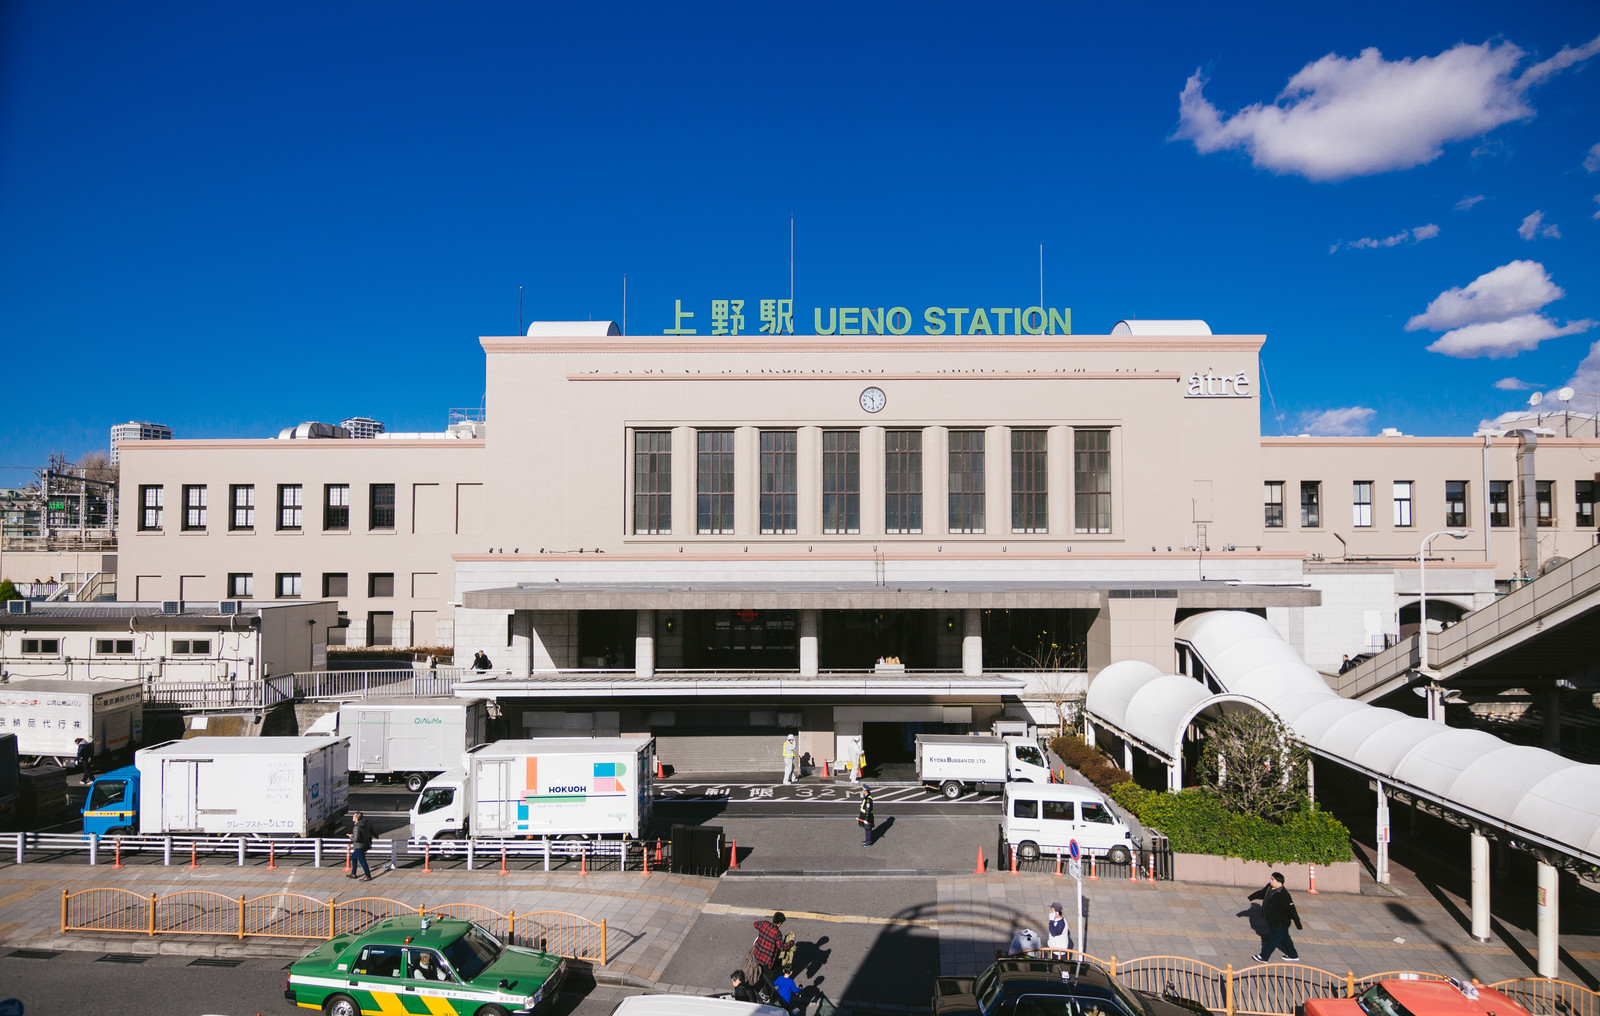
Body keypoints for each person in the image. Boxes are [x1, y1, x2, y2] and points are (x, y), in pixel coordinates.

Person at [1248, 871, 1303, 962]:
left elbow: (1292, 911)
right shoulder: (1269, 887)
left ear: (1279, 882)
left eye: (1273, 879)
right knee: (1285, 939)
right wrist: (1250, 897)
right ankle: (1293, 955)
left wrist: (1298, 924)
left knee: (1272, 940)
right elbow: (1262, 893)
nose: (1271, 881)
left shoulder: (1284, 895)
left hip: (1280, 923)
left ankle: (1264, 957)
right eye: (1271, 878)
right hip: (1272, 921)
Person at [752, 912, 786, 994]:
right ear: (780, 923)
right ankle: (765, 994)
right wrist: (791, 942)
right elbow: (781, 947)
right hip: (767, 960)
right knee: (769, 977)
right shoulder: (777, 933)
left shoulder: (764, 923)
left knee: (758, 973)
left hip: (757, 955)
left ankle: (753, 989)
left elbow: (755, 924)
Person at [347, 810, 374, 881]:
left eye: (353, 816)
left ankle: (368, 876)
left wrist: (350, 836)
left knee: (362, 861)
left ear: (356, 818)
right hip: (363, 844)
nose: (352, 817)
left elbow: (356, 839)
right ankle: (353, 873)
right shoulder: (363, 824)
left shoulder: (356, 827)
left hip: (359, 846)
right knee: (353, 857)